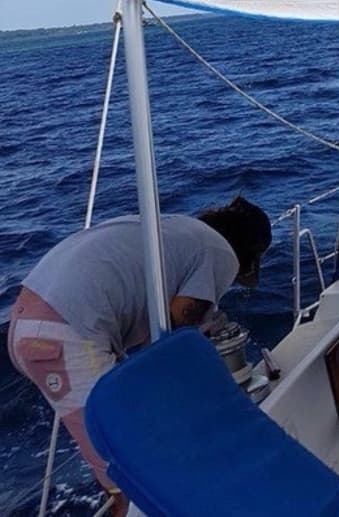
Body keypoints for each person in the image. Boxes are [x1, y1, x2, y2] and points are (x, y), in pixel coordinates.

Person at [7, 195, 271, 515]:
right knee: (121, 465)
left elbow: (152, 331)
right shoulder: (221, 253)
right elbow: (173, 330)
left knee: (128, 433)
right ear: (249, 253)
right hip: (68, 334)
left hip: (28, 321)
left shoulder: (180, 230)